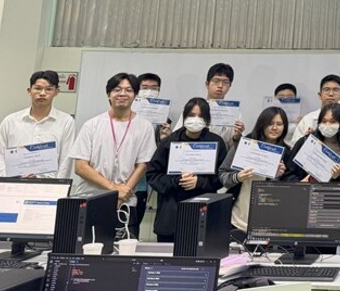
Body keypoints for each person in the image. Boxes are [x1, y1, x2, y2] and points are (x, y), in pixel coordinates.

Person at [70, 73, 156, 237]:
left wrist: (122, 196)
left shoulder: (144, 127)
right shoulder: (92, 125)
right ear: (108, 94)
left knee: (124, 248)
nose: (122, 94)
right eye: (117, 89)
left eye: (128, 90)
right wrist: (114, 189)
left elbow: (143, 165)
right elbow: (80, 167)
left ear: (135, 95)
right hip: (91, 198)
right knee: (87, 246)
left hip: (126, 202)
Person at [145, 98, 228, 242]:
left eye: (200, 116)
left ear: (207, 119)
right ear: (184, 116)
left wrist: (200, 182)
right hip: (171, 215)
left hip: (203, 215)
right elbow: (153, 175)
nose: (195, 120)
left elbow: (221, 177)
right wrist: (177, 181)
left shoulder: (216, 142)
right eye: (191, 115)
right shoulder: (169, 142)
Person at [219, 106, 290, 235]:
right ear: (262, 124)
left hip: (268, 224)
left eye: (279, 124)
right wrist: (237, 177)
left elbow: (286, 196)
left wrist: (276, 177)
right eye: (270, 123)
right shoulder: (246, 144)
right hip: (237, 219)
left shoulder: (287, 153)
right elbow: (223, 175)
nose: (275, 128)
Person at [0, 70, 75, 179]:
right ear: (29, 90)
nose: (42, 93)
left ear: (56, 92)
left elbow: (66, 160)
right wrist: (7, 179)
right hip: (12, 184)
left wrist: (58, 186)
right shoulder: (10, 121)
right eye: (37, 88)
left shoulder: (66, 122)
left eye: (48, 89)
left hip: (48, 185)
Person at [131, 71, 169, 238]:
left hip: (143, 177)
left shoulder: (163, 117)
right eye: (145, 87)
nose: (149, 91)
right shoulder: (126, 113)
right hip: (120, 174)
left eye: (154, 88)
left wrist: (164, 138)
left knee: (135, 218)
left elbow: (161, 151)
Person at [172, 63, 244, 151]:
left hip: (220, 155)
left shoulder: (233, 112)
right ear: (207, 84)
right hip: (190, 153)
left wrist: (237, 137)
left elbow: (235, 148)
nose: (220, 86)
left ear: (230, 86)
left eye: (225, 82)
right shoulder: (194, 107)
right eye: (216, 81)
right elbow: (176, 135)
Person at [284, 102, 340, 182]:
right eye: (324, 121)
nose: (327, 125)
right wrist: (300, 183)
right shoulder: (304, 143)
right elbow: (288, 175)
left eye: (333, 121)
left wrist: (337, 177)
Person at [291, 74, 340, 145]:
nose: (331, 94)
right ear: (320, 95)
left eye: (335, 90)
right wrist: (305, 140)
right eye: (327, 89)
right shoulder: (307, 119)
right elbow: (294, 145)